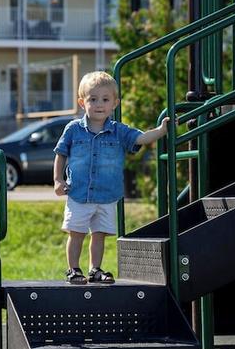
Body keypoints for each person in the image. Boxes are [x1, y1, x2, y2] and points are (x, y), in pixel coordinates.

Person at [53, 71, 169, 284]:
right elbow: (61, 154)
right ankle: (73, 269)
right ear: (82, 102)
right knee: (76, 233)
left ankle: (95, 269)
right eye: (93, 99)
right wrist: (58, 181)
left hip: (107, 196)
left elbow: (141, 138)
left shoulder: (119, 131)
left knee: (99, 234)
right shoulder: (73, 130)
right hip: (78, 193)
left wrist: (161, 131)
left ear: (114, 103)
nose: (99, 104)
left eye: (105, 100)